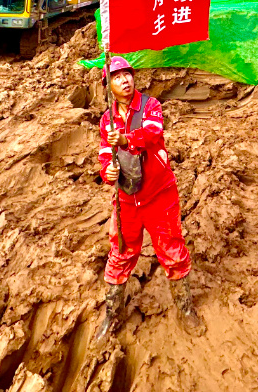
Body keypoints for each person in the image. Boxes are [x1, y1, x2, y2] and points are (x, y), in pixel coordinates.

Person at [94, 56, 204, 342]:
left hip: (159, 196)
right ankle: (111, 316)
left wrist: (126, 140)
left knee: (172, 250)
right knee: (120, 253)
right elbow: (105, 153)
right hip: (126, 201)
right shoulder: (107, 120)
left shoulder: (150, 105)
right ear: (108, 86)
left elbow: (153, 134)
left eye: (127, 74)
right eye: (117, 77)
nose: (125, 80)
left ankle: (186, 309)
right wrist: (108, 172)